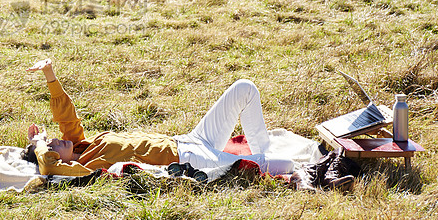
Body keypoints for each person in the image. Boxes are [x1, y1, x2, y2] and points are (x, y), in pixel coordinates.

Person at [25, 58, 294, 177]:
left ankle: (262, 157)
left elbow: (67, 118)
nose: (56, 141)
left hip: (189, 140)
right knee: (286, 164)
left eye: (52, 140)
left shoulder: (83, 145)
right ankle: (267, 165)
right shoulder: (85, 167)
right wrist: (39, 144)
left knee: (244, 88)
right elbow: (48, 167)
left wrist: (50, 75)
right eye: (51, 147)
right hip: (192, 159)